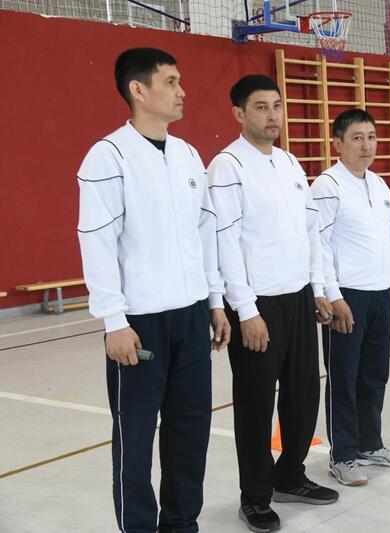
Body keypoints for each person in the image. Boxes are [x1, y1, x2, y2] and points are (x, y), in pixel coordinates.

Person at [76, 47, 230, 533]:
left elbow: (205, 234)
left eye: (180, 81)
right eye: (170, 82)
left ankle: (182, 524)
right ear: (138, 90)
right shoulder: (108, 156)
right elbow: (97, 241)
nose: (182, 91)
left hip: (191, 316)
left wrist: (214, 300)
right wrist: (114, 321)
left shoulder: (188, 155)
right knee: (136, 439)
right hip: (139, 323)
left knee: (190, 431)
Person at [208, 74, 339, 531]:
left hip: (298, 297)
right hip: (257, 303)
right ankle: (256, 496)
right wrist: (245, 310)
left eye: (277, 106)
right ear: (239, 114)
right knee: (256, 403)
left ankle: (290, 475)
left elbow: (310, 232)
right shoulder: (227, 167)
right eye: (261, 107)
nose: (272, 116)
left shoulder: (288, 162)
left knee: (304, 394)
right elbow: (224, 243)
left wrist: (317, 288)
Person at [310, 109, 390, 487]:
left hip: (379, 294)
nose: (366, 145)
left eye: (371, 137)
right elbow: (318, 246)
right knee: (344, 377)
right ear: (337, 143)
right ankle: (343, 455)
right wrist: (332, 295)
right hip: (347, 297)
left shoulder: (379, 184)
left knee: (374, 375)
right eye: (357, 138)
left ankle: (370, 444)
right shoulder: (327, 185)